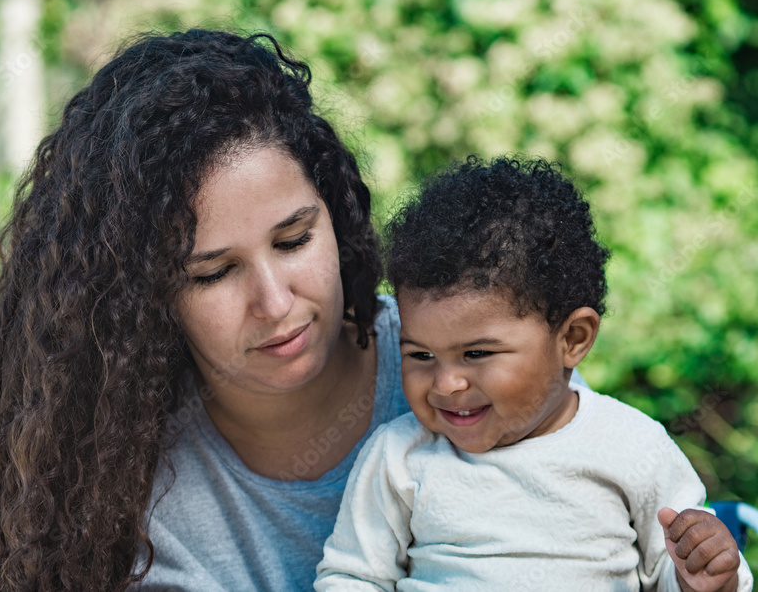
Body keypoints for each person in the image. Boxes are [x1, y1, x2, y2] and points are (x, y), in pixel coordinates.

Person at [0, 29, 586, 591]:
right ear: (147, 298)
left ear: (339, 216)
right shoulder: (127, 480)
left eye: (295, 239)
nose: (276, 303)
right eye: (213, 272)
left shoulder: (464, 359)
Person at [314, 156, 753, 591]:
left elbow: (679, 574)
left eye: (477, 352)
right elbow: (352, 576)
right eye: (421, 355)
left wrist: (707, 576)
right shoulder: (400, 457)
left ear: (573, 339)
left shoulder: (634, 447)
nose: (446, 384)